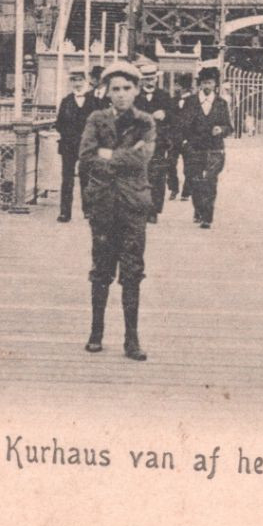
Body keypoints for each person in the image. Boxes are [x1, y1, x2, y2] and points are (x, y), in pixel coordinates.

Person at [77, 62, 157, 360]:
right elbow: (85, 157)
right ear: (107, 92)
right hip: (103, 205)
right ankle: (96, 332)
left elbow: (142, 160)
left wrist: (107, 154)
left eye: (127, 88)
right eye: (115, 89)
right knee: (101, 270)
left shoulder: (145, 122)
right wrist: (124, 154)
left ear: (136, 90)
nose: (121, 94)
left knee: (133, 272)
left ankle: (131, 340)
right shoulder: (96, 119)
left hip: (134, 205)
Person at [181, 66, 232, 229]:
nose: (207, 86)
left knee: (210, 181)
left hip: (214, 149)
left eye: (210, 83)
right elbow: (181, 124)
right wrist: (184, 142)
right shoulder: (190, 102)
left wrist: (221, 129)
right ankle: (199, 209)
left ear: (215, 84)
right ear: (199, 84)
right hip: (194, 148)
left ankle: (207, 217)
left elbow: (229, 127)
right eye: (204, 83)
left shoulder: (221, 103)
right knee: (195, 182)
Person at [132, 60, 179, 224]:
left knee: (158, 177)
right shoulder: (135, 98)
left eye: (152, 78)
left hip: (159, 143)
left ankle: (154, 211)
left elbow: (174, 118)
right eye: (146, 79)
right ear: (141, 80)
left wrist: (165, 114)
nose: (149, 81)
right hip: (140, 143)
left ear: (156, 79)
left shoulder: (164, 96)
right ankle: (141, 209)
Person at [54, 68, 98, 223]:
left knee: (87, 177)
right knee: (67, 179)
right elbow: (59, 123)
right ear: (70, 82)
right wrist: (68, 134)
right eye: (74, 80)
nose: (77, 83)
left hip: (88, 146)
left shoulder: (94, 100)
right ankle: (65, 212)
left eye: (80, 80)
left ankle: (89, 210)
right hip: (68, 145)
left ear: (85, 81)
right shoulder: (66, 101)